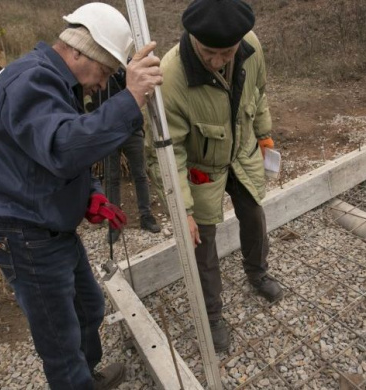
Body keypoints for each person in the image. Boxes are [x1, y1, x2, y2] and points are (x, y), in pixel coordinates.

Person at [0, 3, 162, 389]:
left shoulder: (54, 81)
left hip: (49, 222)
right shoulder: (30, 81)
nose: (102, 83)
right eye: (106, 71)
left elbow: (50, 152)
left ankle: (88, 377)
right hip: (26, 234)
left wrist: (90, 195)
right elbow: (63, 148)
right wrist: (129, 99)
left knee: (88, 307)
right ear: (79, 50)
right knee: (60, 343)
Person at [146, 0, 282, 352]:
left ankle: (257, 272)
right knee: (201, 241)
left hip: (242, 152)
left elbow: (259, 92)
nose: (218, 61)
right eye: (209, 53)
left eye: (227, 52)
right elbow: (168, 151)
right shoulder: (172, 76)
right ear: (193, 38)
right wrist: (183, 210)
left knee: (253, 213)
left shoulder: (250, 46)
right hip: (200, 168)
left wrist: (264, 133)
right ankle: (211, 314)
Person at [88, 70, 162, 243]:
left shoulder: (126, 65)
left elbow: (135, 88)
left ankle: (146, 217)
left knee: (141, 175)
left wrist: (121, 70)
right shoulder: (99, 68)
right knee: (111, 178)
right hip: (108, 131)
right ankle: (114, 224)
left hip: (132, 128)